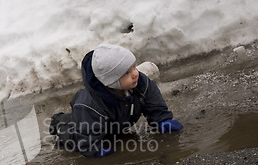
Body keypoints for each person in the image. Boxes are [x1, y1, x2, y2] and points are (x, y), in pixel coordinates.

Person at [49, 44, 182, 157]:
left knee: (114, 132)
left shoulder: (140, 83)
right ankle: (59, 123)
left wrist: (162, 119)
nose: (135, 73)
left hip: (116, 124)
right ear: (110, 83)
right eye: (126, 73)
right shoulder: (88, 105)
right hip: (85, 125)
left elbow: (152, 101)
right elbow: (86, 134)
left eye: (134, 67)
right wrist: (94, 149)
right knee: (73, 137)